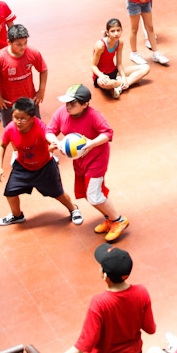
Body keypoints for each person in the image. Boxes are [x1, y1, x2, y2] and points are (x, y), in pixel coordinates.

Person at [46, 84, 129, 242]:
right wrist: (57, 142)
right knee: (87, 193)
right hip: (80, 161)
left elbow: (107, 133)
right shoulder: (62, 112)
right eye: (67, 103)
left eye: (73, 104)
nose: (68, 107)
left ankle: (119, 220)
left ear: (85, 105)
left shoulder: (93, 115)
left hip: (96, 160)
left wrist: (90, 144)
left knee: (94, 196)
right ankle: (110, 218)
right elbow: (50, 131)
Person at [0, 97, 82, 227]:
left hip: (45, 167)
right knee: (10, 193)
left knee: (58, 193)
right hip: (23, 167)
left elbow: (48, 136)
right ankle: (17, 216)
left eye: (22, 118)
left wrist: (53, 145)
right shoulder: (10, 128)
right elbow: (2, 145)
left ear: (32, 118)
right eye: (15, 117)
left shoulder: (39, 126)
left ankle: (74, 209)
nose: (18, 122)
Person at [59, 245, 156, 353]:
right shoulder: (142, 292)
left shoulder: (99, 303)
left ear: (105, 276)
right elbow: (150, 329)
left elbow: (86, 343)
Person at [0, 23, 48, 127]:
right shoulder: (0, 58)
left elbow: (43, 69)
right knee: (12, 133)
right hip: (8, 104)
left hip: (30, 101)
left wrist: (41, 90)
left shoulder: (33, 53)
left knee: (36, 129)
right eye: (18, 44)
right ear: (9, 42)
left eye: (25, 43)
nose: (23, 47)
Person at [93, 18, 151, 99]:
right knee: (108, 84)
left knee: (146, 68)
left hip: (114, 71)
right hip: (102, 76)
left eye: (118, 30)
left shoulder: (120, 43)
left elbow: (119, 64)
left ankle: (120, 87)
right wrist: (101, 76)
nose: (116, 33)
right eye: (112, 31)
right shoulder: (100, 45)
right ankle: (127, 81)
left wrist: (124, 78)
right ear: (107, 32)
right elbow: (93, 66)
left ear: (121, 30)